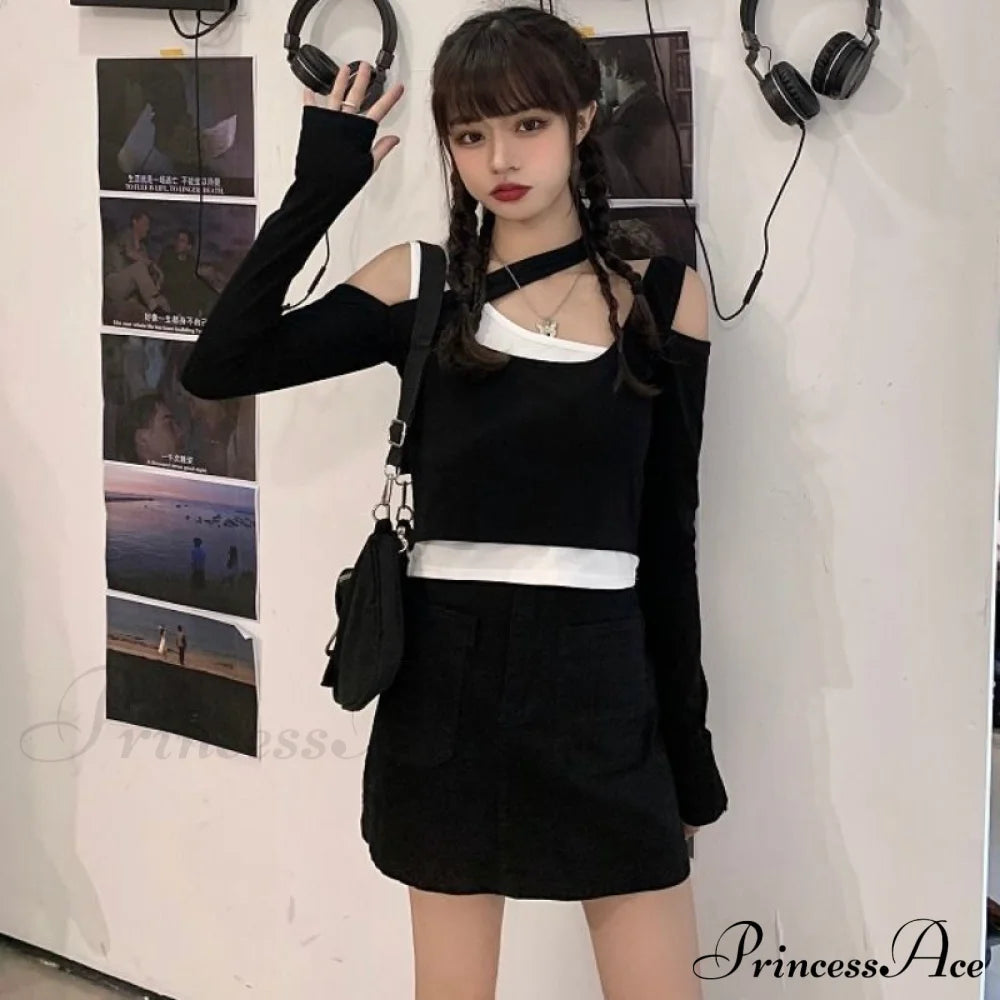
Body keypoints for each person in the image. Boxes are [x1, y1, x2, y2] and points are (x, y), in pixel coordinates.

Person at [180, 7, 727, 998]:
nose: (499, 159)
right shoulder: (420, 284)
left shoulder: (662, 298)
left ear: (581, 120)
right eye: (470, 134)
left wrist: (687, 759)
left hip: (603, 683)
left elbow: (668, 539)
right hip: (446, 682)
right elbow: (220, 366)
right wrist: (319, 188)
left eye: (527, 125)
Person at [103, 210, 172, 318]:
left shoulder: (143, 248)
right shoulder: (124, 235)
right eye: (145, 224)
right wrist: (151, 264)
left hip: (129, 290)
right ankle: (153, 305)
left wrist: (157, 278)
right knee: (138, 267)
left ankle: (165, 314)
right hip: (113, 282)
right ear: (135, 222)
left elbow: (146, 276)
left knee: (160, 302)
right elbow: (130, 253)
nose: (147, 228)